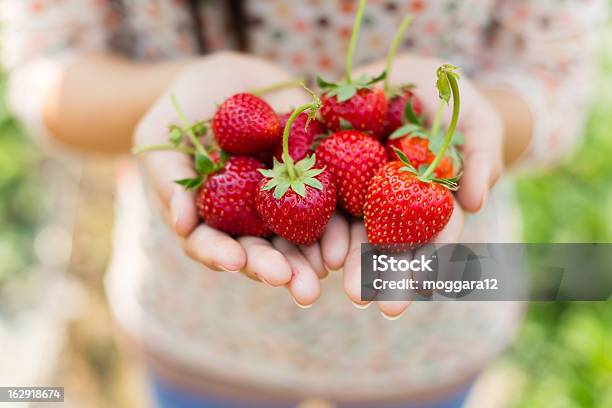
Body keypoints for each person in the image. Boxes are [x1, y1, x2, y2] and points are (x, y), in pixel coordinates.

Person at [2, 0, 606, 407]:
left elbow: (556, 81)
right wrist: (174, 96)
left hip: (433, 330)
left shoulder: (397, 164)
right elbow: (46, 70)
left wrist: (475, 121)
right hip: (201, 330)